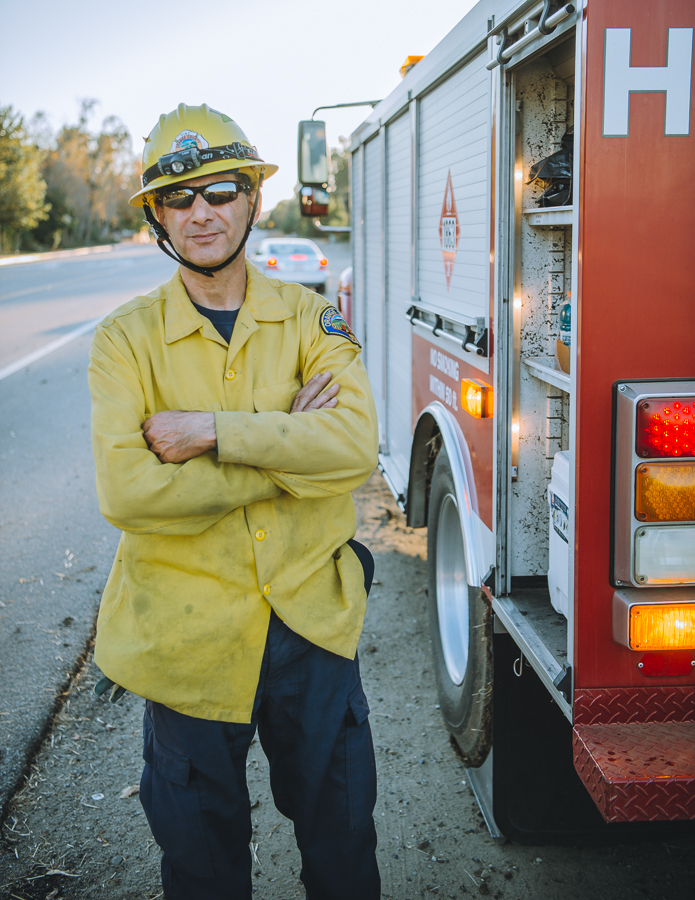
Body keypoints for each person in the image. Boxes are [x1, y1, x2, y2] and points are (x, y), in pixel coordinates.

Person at [88, 103, 381, 900]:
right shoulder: (124, 340)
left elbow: (353, 447)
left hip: (310, 628)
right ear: (156, 216)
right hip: (185, 641)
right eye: (177, 199)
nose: (200, 212)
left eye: (219, 190)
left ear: (253, 198)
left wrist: (212, 432)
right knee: (202, 863)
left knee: (342, 843)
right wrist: (284, 447)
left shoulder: (310, 317)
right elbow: (129, 491)